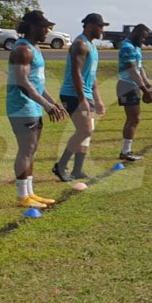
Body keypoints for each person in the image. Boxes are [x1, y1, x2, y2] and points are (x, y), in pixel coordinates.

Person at [8, 10, 67, 210]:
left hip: (33, 105)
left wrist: (52, 102)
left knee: (32, 149)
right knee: (26, 149)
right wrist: (46, 105)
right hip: (21, 106)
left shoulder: (35, 48)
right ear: (32, 27)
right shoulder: (22, 50)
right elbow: (22, 82)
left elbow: (37, 83)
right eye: (44, 27)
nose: (47, 31)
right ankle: (22, 195)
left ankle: (30, 192)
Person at [54, 14, 108, 182]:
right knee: (85, 130)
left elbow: (91, 76)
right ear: (90, 25)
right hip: (73, 94)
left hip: (86, 94)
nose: (102, 30)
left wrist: (97, 99)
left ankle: (78, 170)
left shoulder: (92, 46)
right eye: (100, 26)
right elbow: (76, 73)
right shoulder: (80, 44)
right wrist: (83, 99)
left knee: (87, 132)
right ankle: (61, 165)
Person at [117, 23, 152, 161]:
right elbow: (132, 70)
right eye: (142, 37)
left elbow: (140, 69)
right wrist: (144, 90)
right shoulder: (127, 47)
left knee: (134, 119)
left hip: (133, 85)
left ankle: (126, 151)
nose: (143, 40)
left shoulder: (136, 47)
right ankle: (125, 152)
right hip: (127, 85)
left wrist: (147, 84)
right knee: (134, 119)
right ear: (135, 33)